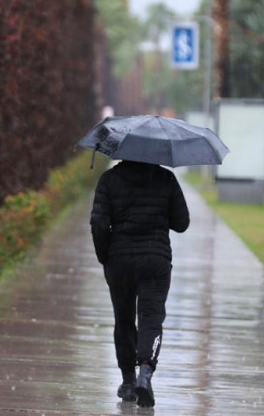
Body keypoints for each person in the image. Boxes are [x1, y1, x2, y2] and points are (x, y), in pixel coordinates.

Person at [89, 159, 189, 408]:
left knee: (123, 319)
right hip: (156, 260)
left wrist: (105, 257)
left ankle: (127, 381)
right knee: (151, 319)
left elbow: (99, 224)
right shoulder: (165, 179)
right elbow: (182, 223)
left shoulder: (109, 180)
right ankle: (145, 371)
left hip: (119, 261)